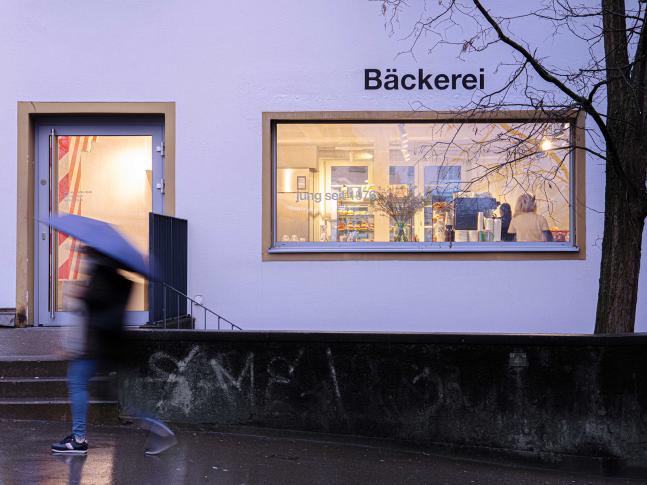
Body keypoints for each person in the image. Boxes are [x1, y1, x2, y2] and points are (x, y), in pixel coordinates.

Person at [51, 248, 176, 455]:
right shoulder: (113, 277)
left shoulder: (102, 276)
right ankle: (158, 428)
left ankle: (79, 438)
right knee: (111, 395)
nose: (84, 258)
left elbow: (96, 307)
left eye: (87, 254)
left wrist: (81, 295)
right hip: (104, 346)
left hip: (94, 347)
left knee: (78, 384)